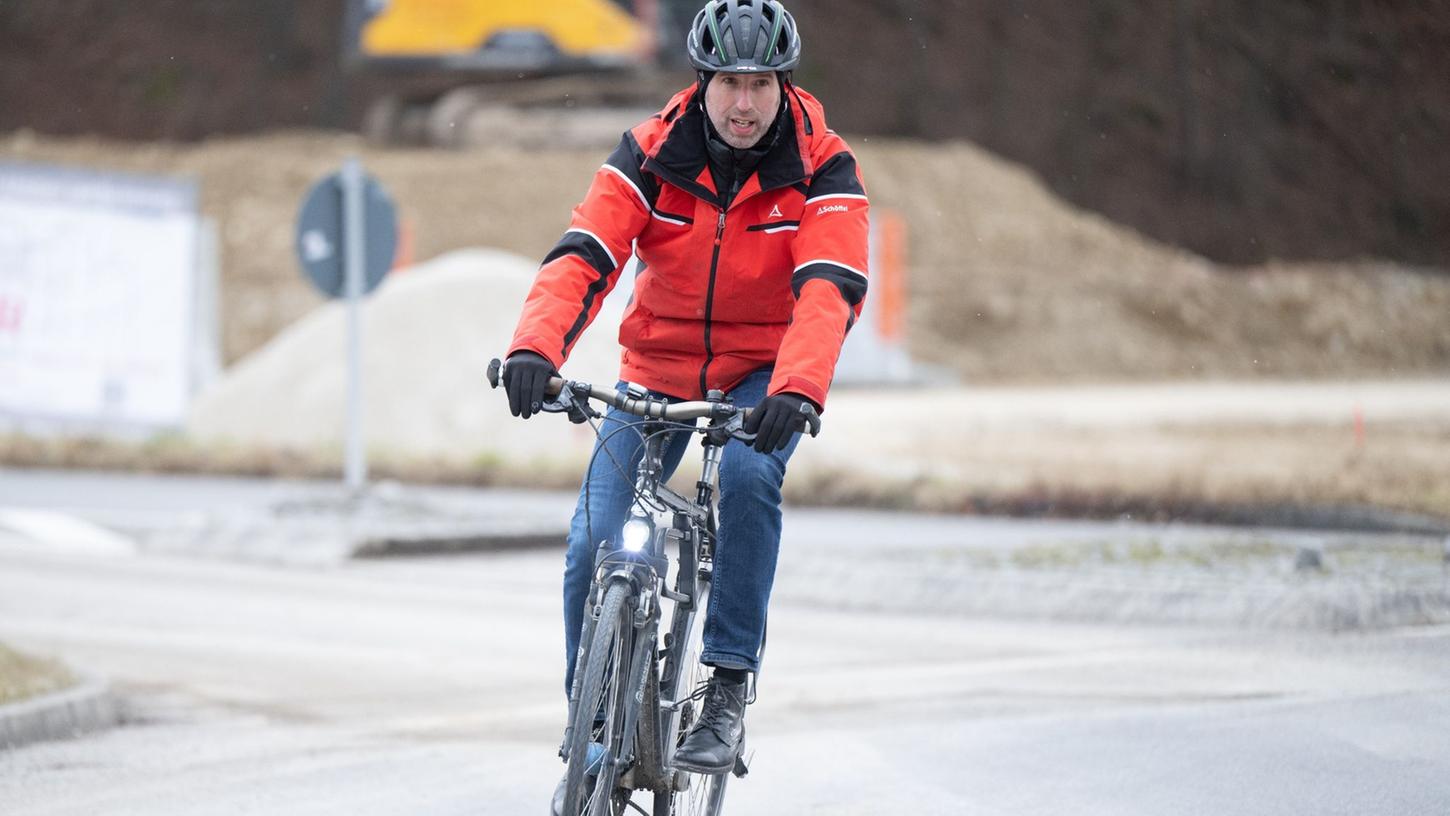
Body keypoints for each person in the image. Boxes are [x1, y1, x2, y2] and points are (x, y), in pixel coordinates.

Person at [501, 0, 867, 806]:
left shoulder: (823, 167)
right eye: (728, 83)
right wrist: (537, 348)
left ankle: (728, 685)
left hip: (761, 376)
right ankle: (591, 728)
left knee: (745, 480)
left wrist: (796, 390)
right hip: (655, 370)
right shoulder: (651, 150)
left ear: (784, 86)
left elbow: (828, 290)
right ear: (700, 84)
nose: (743, 103)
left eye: (760, 84)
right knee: (594, 537)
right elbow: (584, 253)